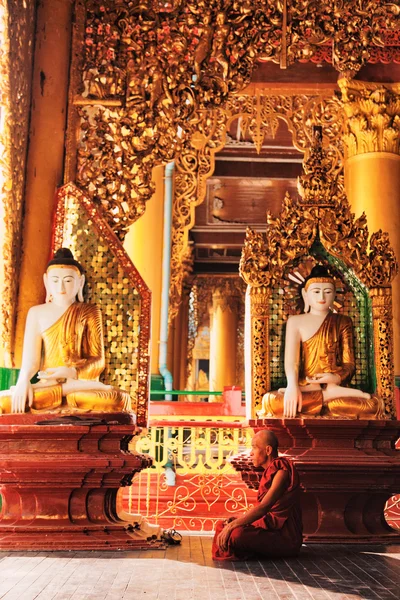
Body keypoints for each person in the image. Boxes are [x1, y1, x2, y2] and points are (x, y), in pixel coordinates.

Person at [0, 248, 131, 414]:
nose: (61, 287)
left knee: (119, 399)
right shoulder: (36, 313)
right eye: (55, 280)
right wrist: (23, 381)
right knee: (4, 403)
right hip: (48, 386)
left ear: (80, 282)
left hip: (82, 386)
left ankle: (67, 391)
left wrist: (72, 372)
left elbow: (98, 360)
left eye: (68, 281)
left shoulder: (89, 311)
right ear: (47, 282)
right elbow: (30, 362)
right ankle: (64, 391)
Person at [258, 265, 383, 419]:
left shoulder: (343, 321)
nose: (322, 297)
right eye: (316, 291)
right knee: (271, 401)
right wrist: (292, 386)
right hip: (306, 387)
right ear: (305, 295)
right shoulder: (295, 322)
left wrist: (335, 378)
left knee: (373, 405)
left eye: (328, 292)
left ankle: (328, 395)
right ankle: (327, 396)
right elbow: (292, 362)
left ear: (334, 295)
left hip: (335, 386)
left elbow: (349, 364)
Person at [212, 430, 303, 561]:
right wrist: (235, 521)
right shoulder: (270, 471)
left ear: (268, 450)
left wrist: (234, 525)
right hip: (270, 530)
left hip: (284, 537)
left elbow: (264, 507)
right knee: (222, 526)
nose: (251, 453)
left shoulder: (282, 472)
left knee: (236, 535)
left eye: (254, 447)